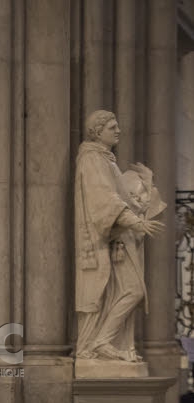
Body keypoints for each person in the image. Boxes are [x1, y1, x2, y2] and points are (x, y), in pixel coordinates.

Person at [75, 110, 165, 362]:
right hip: (108, 240)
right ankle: (100, 342)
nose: (118, 130)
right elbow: (103, 198)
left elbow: (131, 200)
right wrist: (135, 222)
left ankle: (104, 342)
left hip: (118, 239)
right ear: (97, 131)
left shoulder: (106, 160)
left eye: (118, 126)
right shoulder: (91, 159)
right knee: (133, 290)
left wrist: (148, 183)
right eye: (112, 127)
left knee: (128, 290)